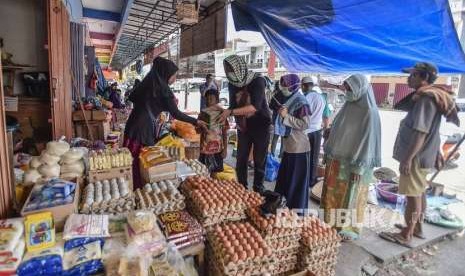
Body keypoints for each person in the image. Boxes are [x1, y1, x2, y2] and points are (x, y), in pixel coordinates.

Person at [380, 62, 459, 247]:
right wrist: (437, 152)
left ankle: (406, 233)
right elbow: (433, 130)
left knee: (412, 195)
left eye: (413, 75)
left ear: (423, 78)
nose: (408, 78)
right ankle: (417, 228)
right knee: (420, 192)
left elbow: (421, 132)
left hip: (416, 157)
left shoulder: (425, 99)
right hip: (424, 155)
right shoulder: (428, 97)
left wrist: (407, 158)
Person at [124, 57, 207, 189]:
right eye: (174, 75)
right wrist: (196, 121)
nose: (175, 78)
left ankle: (130, 186)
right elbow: (176, 113)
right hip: (143, 128)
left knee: (133, 160)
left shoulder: (149, 83)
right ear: (166, 74)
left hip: (134, 123)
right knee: (143, 161)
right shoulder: (163, 89)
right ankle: (139, 188)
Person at [320, 74, 381, 241]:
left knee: (350, 197)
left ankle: (347, 230)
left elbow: (367, 142)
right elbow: (339, 131)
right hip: (337, 162)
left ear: (360, 89)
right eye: (346, 88)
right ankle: (330, 224)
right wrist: (329, 135)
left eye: (349, 89)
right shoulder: (348, 106)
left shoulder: (369, 112)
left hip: (354, 165)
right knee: (334, 195)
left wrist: (358, 168)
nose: (346, 92)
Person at [219, 55, 271, 194]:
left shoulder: (258, 80)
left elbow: (255, 107)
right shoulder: (231, 83)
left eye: (230, 70)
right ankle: (241, 188)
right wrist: (224, 114)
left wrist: (230, 112)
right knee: (241, 158)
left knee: (260, 159)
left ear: (239, 67)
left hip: (261, 125)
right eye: (226, 70)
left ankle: (258, 188)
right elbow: (232, 106)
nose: (228, 73)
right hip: (244, 126)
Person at [273, 74, 312, 211]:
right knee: (285, 180)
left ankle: (295, 212)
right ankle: (284, 208)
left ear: (294, 86)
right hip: (289, 146)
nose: (283, 87)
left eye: (286, 85)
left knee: (295, 184)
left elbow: (305, 124)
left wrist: (286, 117)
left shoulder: (301, 102)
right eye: (282, 84)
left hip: (298, 147)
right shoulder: (289, 99)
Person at [198, 88, 229, 176]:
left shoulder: (222, 114)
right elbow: (197, 131)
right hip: (204, 149)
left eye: (211, 99)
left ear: (217, 100)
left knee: (215, 173)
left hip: (218, 149)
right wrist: (201, 127)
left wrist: (225, 149)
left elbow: (225, 132)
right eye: (207, 99)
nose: (209, 101)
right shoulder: (202, 114)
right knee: (203, 172)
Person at [302, 76, 326, 187]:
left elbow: (303, 115)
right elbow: (325, 114)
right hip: (317, 130)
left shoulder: (307, 98)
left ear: (305, 86)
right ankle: (311, 179)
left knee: (306, 156)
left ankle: (305, 179)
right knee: (314, 157)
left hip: (307, 131)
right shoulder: (321, 97)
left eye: (302, 86)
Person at [269, 81, 286, 157]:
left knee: (276, 136)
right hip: (284, 118)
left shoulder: (276, 94)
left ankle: (272, 153)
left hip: (277, 117)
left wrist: (277, 109)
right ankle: (281, 154)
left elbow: (270, 105)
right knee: (283, 137)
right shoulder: (288, 95)